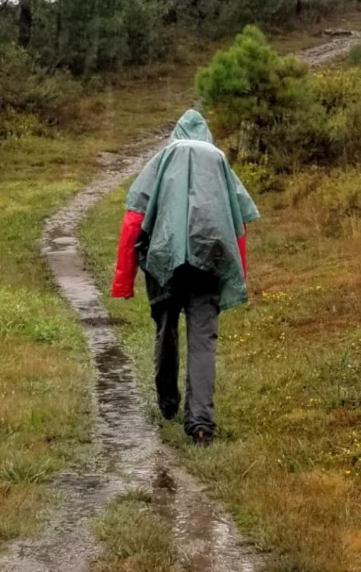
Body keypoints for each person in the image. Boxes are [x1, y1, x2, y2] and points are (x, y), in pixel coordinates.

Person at [109, 109, 259, 443]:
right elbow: (239, 225)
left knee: (165, 328)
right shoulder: (219, 162)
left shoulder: (161, 160)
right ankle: (201, 424)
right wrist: (239, 276)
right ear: (206, 134)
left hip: (165, 259)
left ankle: (167, 402)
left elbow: (133, 219)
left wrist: (124, 279)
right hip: (209, 260)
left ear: (175, 133)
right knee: (203, 340)